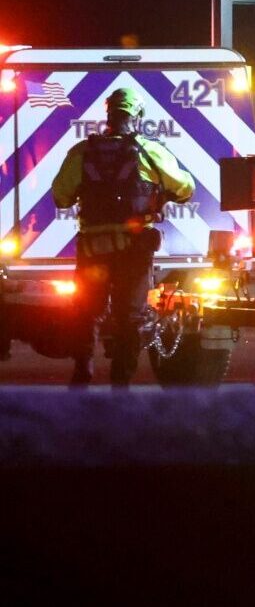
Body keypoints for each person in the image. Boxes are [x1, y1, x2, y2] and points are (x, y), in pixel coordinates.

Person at [51, 89, 195, 387]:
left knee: (87, 311)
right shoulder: (149, 150)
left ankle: (83, 368)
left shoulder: (82, 152)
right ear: (137, 117)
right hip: (133, 248)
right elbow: (185, 188)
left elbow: (61, 198)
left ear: (109, 115)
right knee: (130, 316)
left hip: (93, 248)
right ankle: (121, 384)